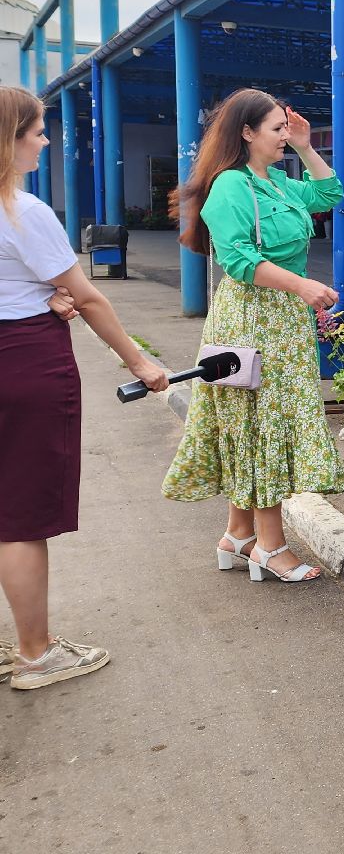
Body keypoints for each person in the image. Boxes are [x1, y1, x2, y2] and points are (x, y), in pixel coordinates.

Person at [0, 86, 169, 690]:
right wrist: (140, 363)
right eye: (38, 131)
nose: (46, 141)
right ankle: (36, 653)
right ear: (11, 138)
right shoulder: (24, 211)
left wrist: (41, 292)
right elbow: (92, 295)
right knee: (20, 517)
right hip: (22, 362)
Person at [162, 88, 344, 582]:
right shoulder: (230, 187)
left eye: (285, 129)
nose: (285, 137)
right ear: (247, 133)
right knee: (263, 422)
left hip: (282, 318)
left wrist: (307, 147)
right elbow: (239, 261)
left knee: (260, 419)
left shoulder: (279, 183)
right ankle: (269, 545)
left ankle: (237, 535)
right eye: (277, 130)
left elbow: (331, 194)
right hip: (252, 319)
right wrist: (302, 284)